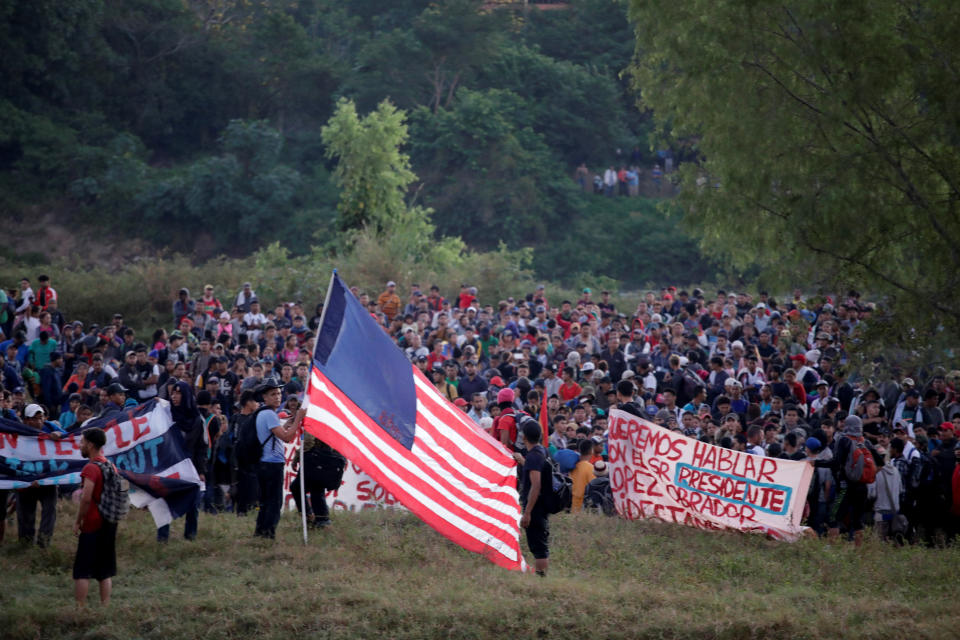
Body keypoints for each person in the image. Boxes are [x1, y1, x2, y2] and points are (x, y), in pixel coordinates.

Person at [73, 427, 117, 606]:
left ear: (90, 445)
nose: (80, 445)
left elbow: (86, 498)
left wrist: (78, 521)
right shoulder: (110, 465)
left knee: (82, 570)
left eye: (82, 442)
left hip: (92, 523)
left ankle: (80, 608)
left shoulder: (91, 468)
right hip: (109, 522)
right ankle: (105, 606)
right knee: (104, 571)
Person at [255, 380, 304, 539]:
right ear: (265, 397)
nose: (277, 397)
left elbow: (279, 433)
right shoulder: (270, 414)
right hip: (272, 464)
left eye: (278, 393)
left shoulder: (264, 413)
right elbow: (287, 438)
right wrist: (299, 419)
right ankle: (268, 535)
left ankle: (260, 532)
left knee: (265, 501)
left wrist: (290, 422)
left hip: (264, 462)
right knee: (274, 502)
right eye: (272, 394)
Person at [157, 381, 204, 542]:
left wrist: (202, 470)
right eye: (173, 393)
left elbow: (200, 448)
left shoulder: (197, 420)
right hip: (168, 466)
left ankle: (190, 536)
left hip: (189, 466)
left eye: (178, 393)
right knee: (163, 503)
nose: (175, 396)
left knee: (193, 502)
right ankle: (162, 538)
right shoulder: (167, 416)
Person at [16, 404, 63, 546]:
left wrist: (60, 435)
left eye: (40, 417)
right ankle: (26, 543)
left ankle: (44, 542)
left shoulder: (50, 428)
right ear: (25, 420)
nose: (38, 421)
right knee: (25, 513)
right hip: (26, 480)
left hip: (47, 480)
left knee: (49, 511)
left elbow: (69, 437)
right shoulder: (16, 433)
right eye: (33, 418)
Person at [518, 420, 549, 576]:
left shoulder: (533, 457)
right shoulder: (541, 451)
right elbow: (534, 470)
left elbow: (536, 485)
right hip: (541, 504)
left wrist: (528, 512)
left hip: (535, 506)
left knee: (539, 547)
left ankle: (541, 580)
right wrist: (522, 461)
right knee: (538, 544)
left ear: (524, 438)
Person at [570, 438, 596, 512]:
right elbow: (594, 486)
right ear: (591, 451)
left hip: (573, 505)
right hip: (583, 508)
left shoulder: (574, 466)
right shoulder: (590, 467)